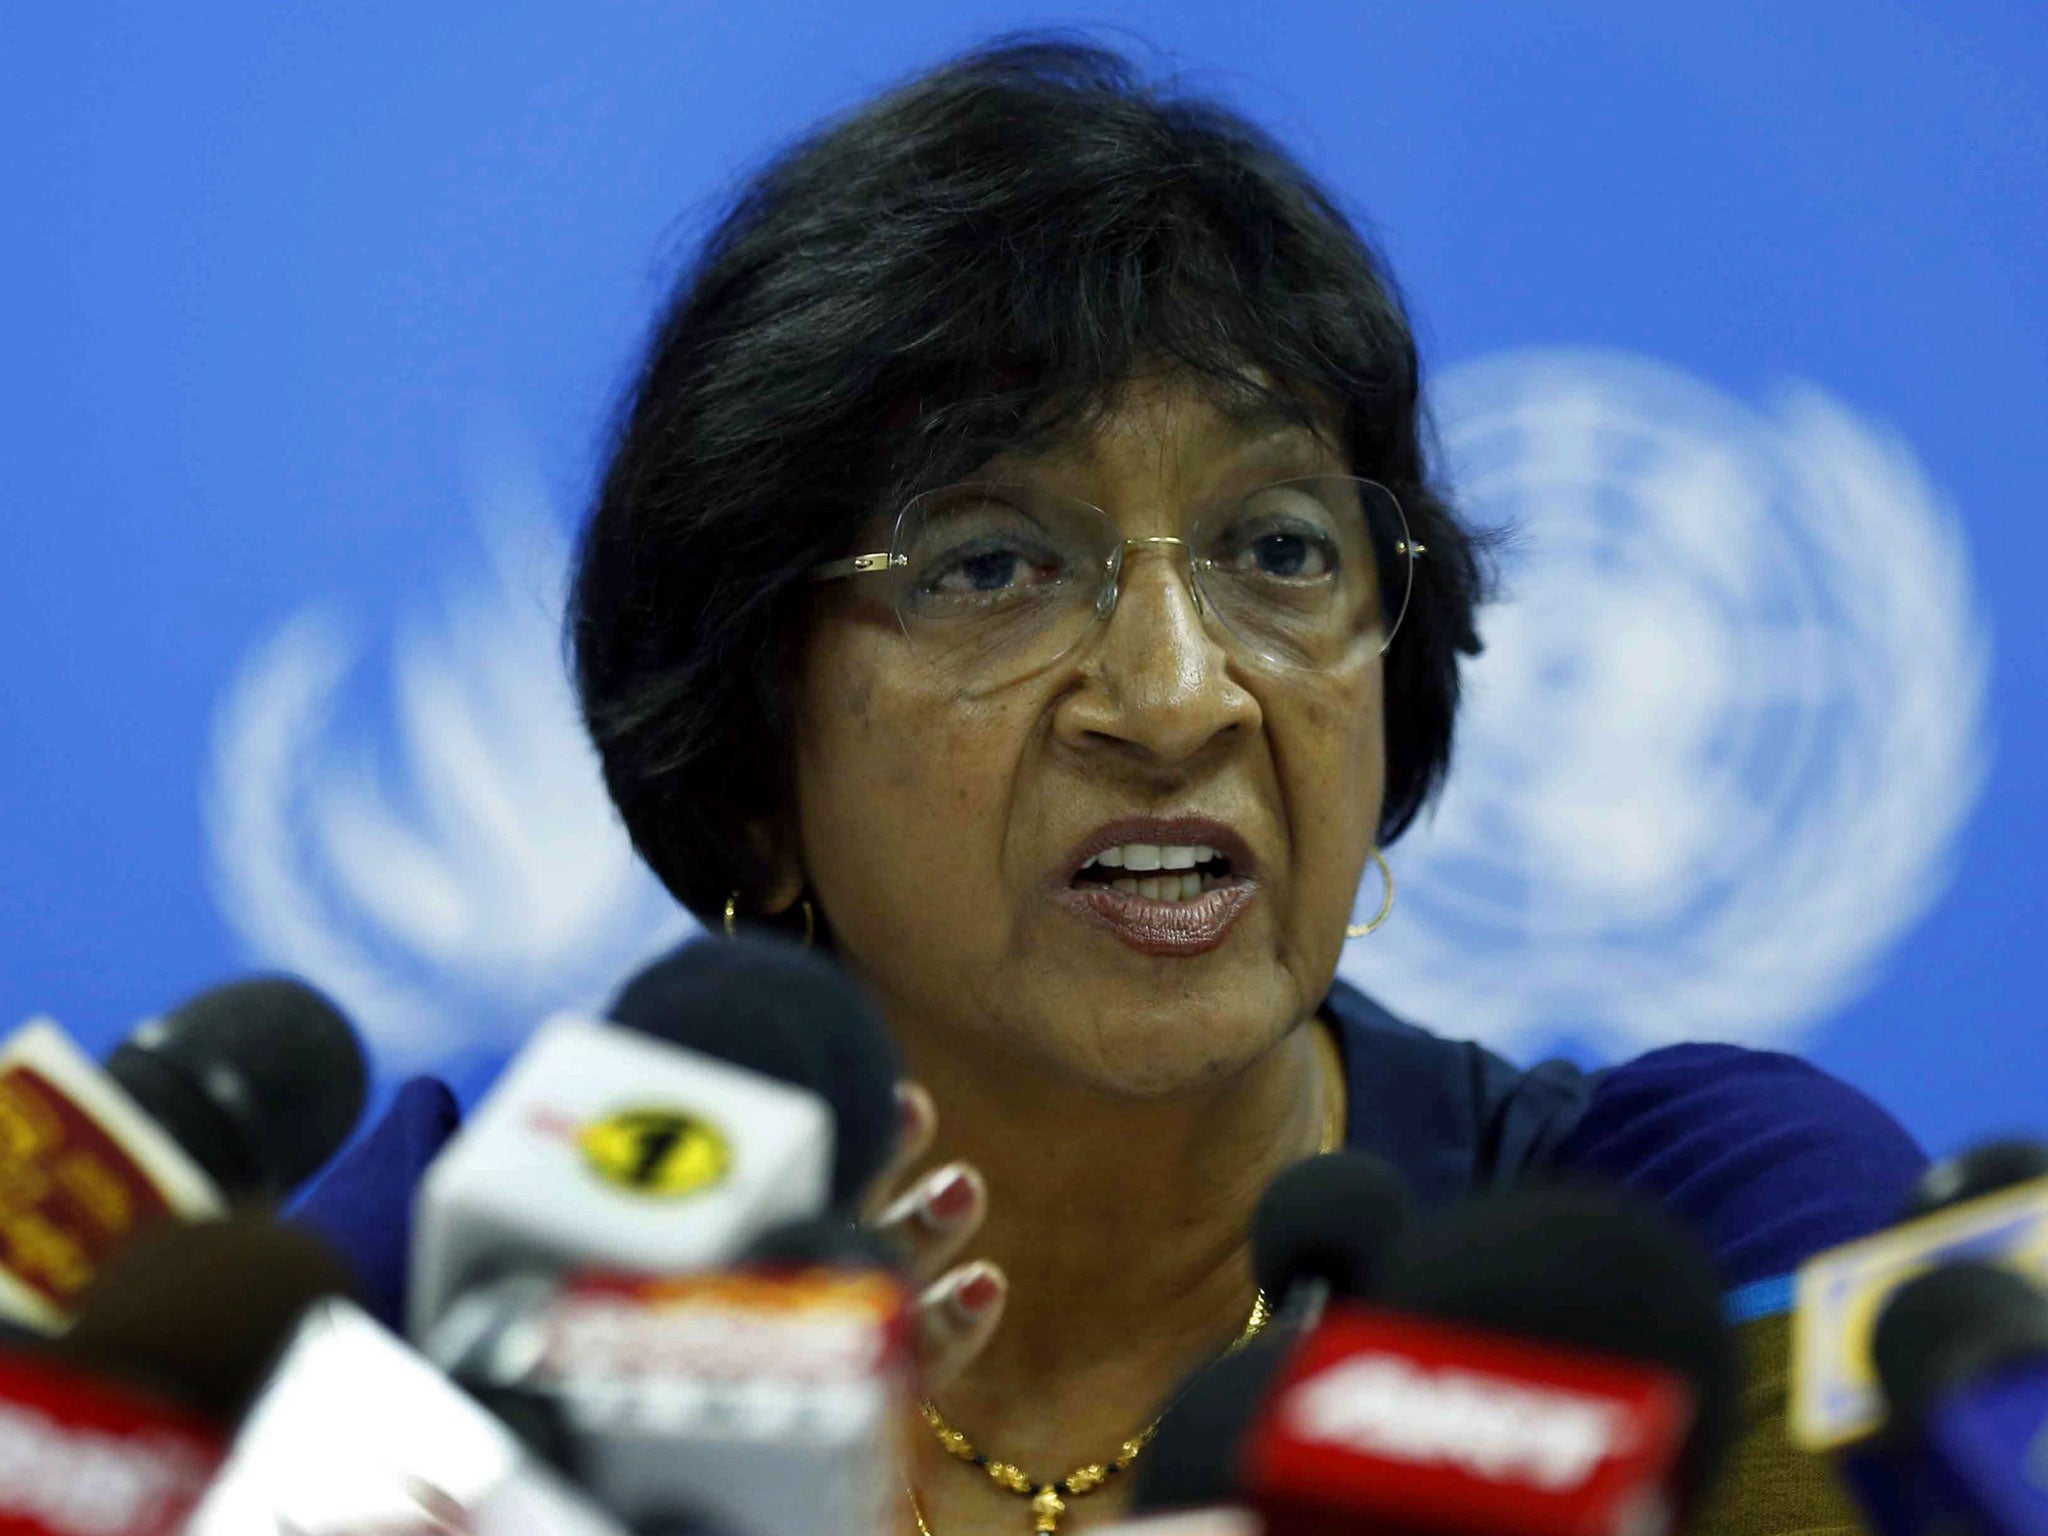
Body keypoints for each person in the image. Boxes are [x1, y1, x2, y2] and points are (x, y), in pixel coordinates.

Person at [299, 34, 1927, 1535]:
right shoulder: (452, 1294)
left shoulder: (1708, 1238)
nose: (1174, 696)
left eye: (1278, 550)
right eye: (991, 564)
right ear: (750, 772)